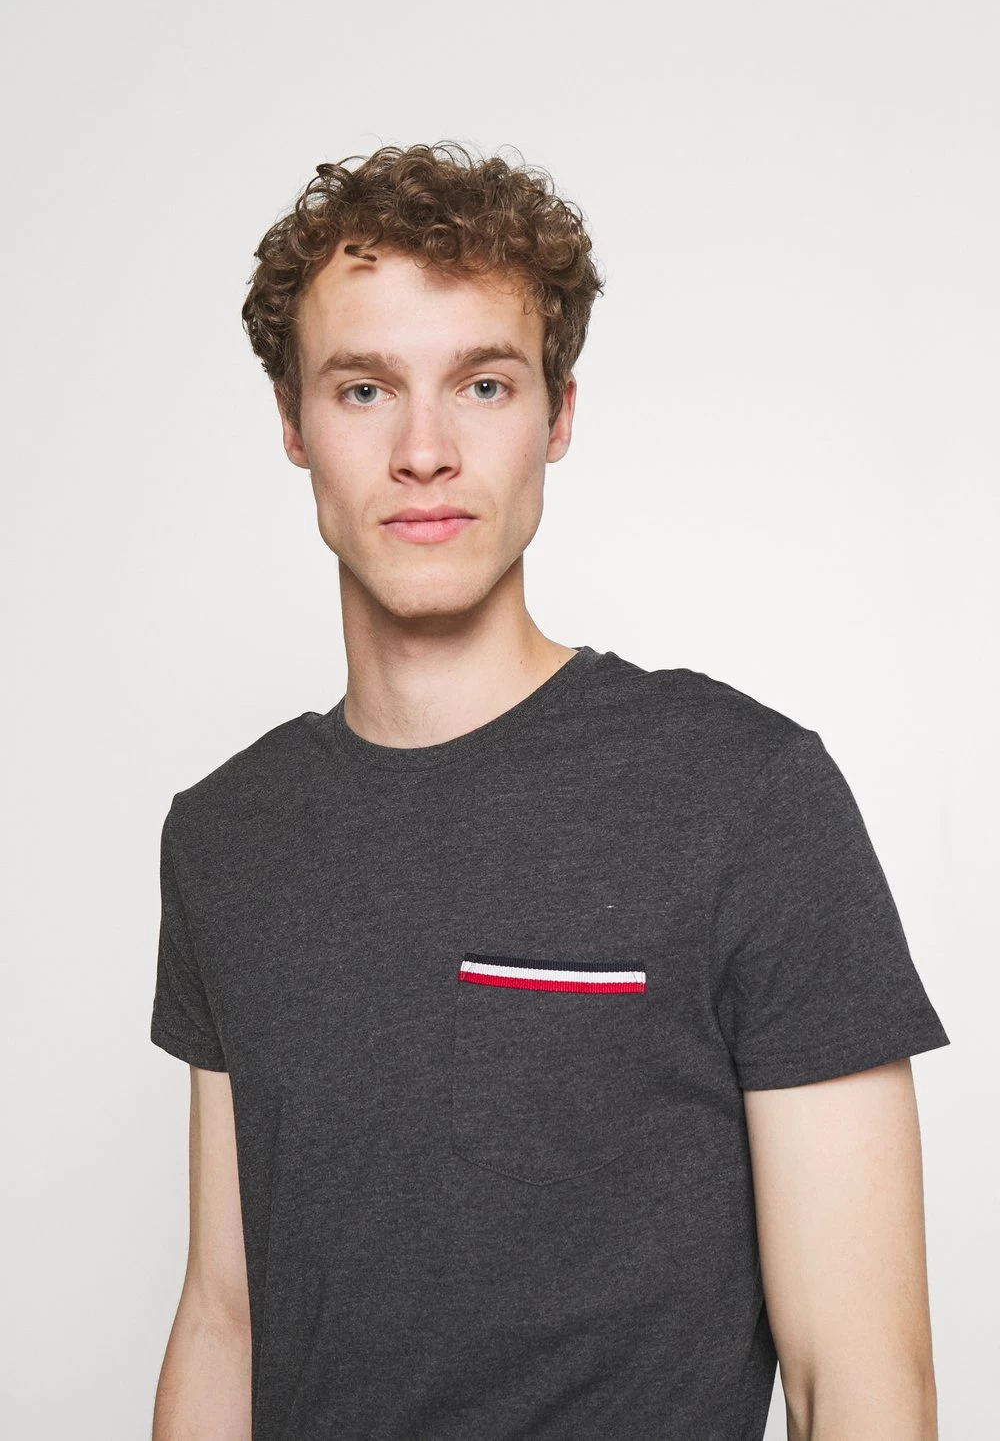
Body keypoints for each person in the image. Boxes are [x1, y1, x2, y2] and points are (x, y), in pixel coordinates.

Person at [149, 140, 950, 1441]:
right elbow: (225, 1317)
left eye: (483, 383)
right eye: (364, 388)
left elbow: (857, 1380)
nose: (424, 449)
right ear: (293, 424)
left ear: (558, 414)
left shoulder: (746, 797)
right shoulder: (225, 836)